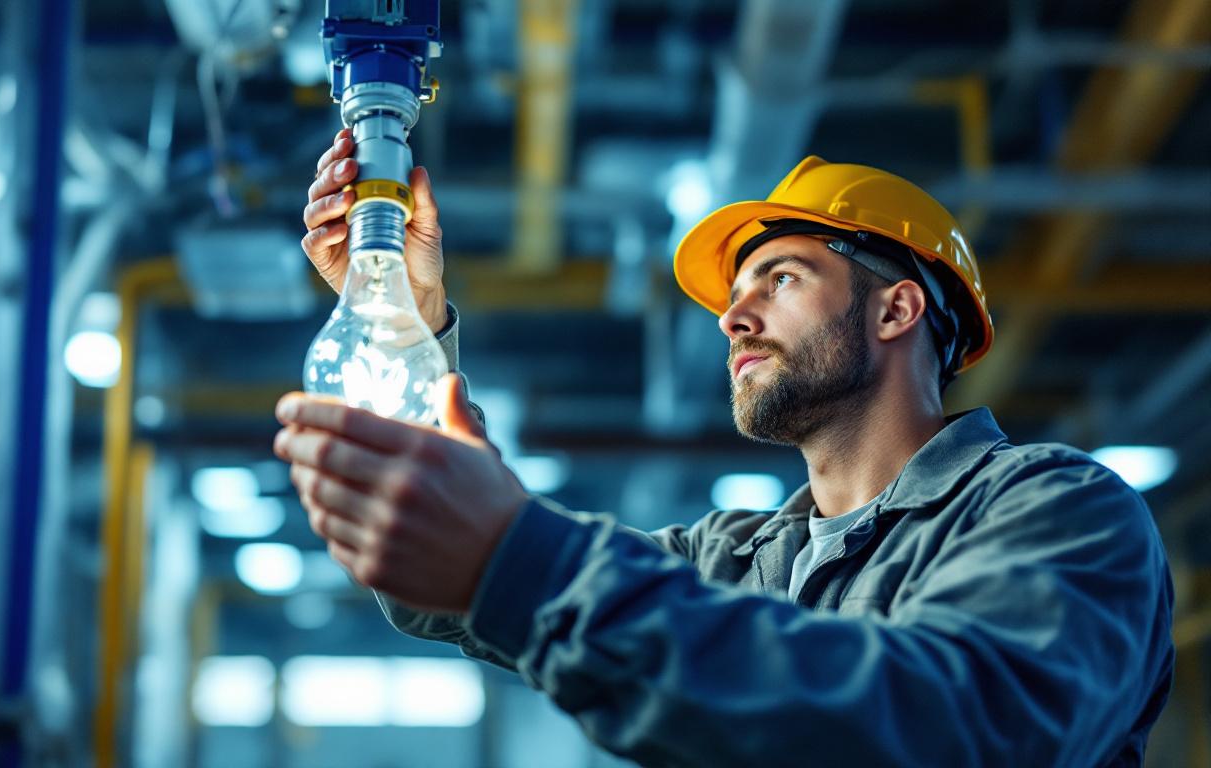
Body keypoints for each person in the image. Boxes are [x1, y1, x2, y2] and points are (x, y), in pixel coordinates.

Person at [272, 130, 1174, 766]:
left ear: (897, 309)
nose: (734, 317)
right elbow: (435, 588)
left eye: (781, 278)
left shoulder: (1059, 510)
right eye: (734, 294)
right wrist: (399, 316)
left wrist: (523, 559)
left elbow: (946, 731)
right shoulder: (739, 560)